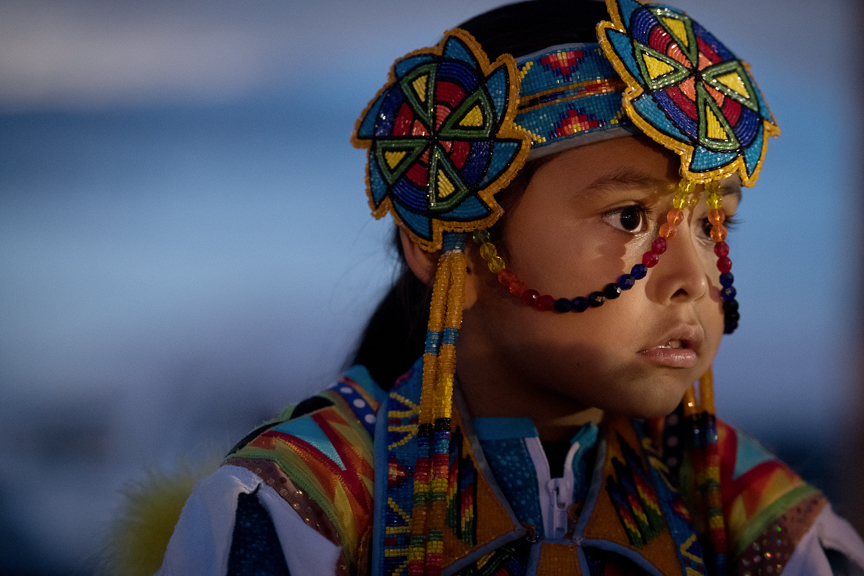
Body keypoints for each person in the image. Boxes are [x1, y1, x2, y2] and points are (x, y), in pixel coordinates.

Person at [155, 0, 864, 574]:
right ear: (446, 251)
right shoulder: (296, 509)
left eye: (714, 229)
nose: (695, 279)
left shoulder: (743, 510)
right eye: (630, 216)